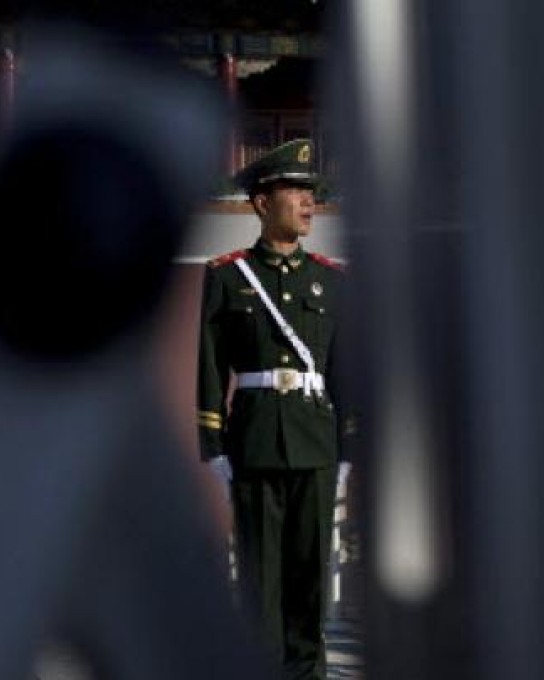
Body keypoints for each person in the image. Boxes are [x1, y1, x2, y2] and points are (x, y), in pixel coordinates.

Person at [196, 138, 352, 679]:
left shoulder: (332, 280)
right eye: (297, 192)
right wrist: (212, 443)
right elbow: (211, 366)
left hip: (315, 442)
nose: (309, 204)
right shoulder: (227, 276)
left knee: (309, 582)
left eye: (313, 194)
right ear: (262, 203)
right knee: (260, 582)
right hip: (255, 441)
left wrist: (349, 445)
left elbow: (345, 369)